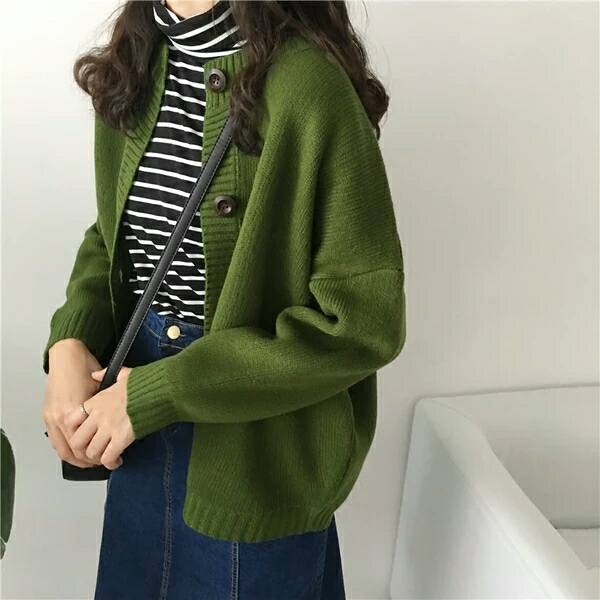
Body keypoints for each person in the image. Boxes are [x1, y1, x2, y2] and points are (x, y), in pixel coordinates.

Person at [42, 1, 407, 598]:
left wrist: (163, 391)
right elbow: (117, 235)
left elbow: (363, 324)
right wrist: (69, 343)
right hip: (134, 430)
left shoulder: (307, 86)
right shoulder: (135, 61)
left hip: (255, 453)